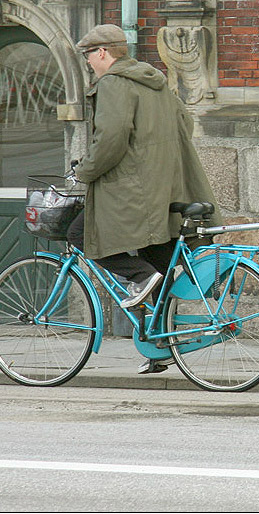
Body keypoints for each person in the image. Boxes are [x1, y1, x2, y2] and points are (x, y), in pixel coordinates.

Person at [67, 24, 217, 337]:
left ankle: (138, 277)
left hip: (131, 189)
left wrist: (85, 171)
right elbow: (184, 123)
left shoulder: (114, 83)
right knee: (158, 261)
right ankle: (160, 341)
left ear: (103, 52)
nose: (89, 64)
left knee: (82, 233)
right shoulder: (154, 79)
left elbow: (112, 137)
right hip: (167, 186)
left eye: (89, 57)